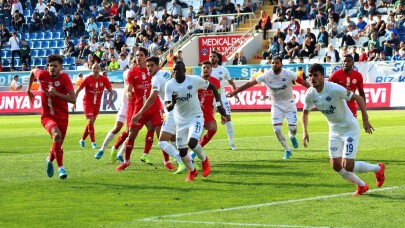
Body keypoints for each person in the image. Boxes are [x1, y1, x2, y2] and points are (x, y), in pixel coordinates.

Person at [302, 63, 385, 196]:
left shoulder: (334, 88)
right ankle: (362, 185)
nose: (312, 78)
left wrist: (365, 119)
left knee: (348, 165)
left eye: (315, 75)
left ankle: (378, 168)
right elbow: (305, 113)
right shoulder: (310, 94)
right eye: (310, 76)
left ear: (323, 76)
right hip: (334, 131)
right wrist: (305, 132)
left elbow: (358, 98)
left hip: (349, 128)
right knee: (336, 165)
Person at [227, 56, 310, 160]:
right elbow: (249, 83)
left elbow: (303, 82)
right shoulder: (266, 75)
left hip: (290, 104)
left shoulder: (289, 74)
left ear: (281, 64)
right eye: (273, 63)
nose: (274, 65)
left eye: (277, 63)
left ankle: (291, 135)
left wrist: (313, 90)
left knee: (293, 129)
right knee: (277, 130)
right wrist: (234, 92)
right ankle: (288, 150)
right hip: (276, 105)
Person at [165, 61, 227, 181]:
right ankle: (192, 171)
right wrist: (172, 102)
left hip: (196, 117)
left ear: (184, 71)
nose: (175, 72)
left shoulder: (194, 80)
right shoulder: (170, 85)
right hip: (181, 122)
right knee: (182, 152)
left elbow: (213, 87)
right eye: (174, 70)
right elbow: (168, 107)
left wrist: (219, 106)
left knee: (192, 143)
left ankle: (204, 160)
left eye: (178, 70)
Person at [129, 56, 186, 173]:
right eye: (148, 66)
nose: (149, 68)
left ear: (157, 65)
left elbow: (152, 97)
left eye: (152, 66)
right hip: (179, 108)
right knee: (175, 139)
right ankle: (190, 163)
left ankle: (182, 161)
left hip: (172, 111)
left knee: (162, 141)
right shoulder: (165, 73)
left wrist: (140, 113)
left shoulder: (155, 79)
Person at [115, 47, 166, 171]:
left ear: (146, 56)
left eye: (141, 55)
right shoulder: (132, 72)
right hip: (139, 107)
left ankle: (166, 161)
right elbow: (128, 89)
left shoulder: (154, 71)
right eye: (136, 55)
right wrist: (129, 94)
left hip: (154, 107)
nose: (138, 57)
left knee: (160, 133)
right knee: (131, 135)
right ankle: (126, 161)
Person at [26, 55, 76, 179]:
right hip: (47, 116)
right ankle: (61, 169)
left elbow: (73, 99)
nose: (52, 68)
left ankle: (49, 160)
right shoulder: (42, 75)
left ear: (60, 67)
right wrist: (28, 89)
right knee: (56, 135)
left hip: (62, 117)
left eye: (55, 66)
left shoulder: (64, 78)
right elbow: (32, 71)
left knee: (57, 143)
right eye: (50, 65)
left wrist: (56, 93)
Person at [73, 63, 113, 149]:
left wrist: (109, 101)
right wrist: (74, 103)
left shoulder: (104, 79)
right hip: (87, 102)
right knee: (90, 121)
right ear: (92, 69)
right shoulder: (87, 79)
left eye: (97, 68)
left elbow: (111, 91)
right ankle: (93, 142)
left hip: (97, 104)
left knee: (90, 123)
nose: (95, 70)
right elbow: (78, 90)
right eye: (94, 68)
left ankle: (82, 139)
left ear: (100, 69)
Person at [209, 51, 239, 150]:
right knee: (205, 120)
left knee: (228, 119)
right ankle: (197, 143)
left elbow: (231, 82)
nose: (212, 58)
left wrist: (235, 93)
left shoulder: (224, 70)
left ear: (218, 59)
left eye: (214, 56)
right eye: (210, 56)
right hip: (209, 98)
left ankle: (232, 144)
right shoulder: (206, 69)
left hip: (221, 97)